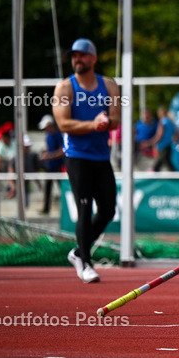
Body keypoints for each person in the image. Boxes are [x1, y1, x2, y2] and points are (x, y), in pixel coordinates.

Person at [52, 38, 121, 284]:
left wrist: (106, 122)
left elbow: (116, 119)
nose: (77, 59)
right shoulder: (65, 88)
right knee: (84, 206)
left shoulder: (109, 85)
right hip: (77, 156)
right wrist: (93, 124)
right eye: (74, 56)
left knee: (108, 209)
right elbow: (63, 124)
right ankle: (86, 263)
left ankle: (79, 252)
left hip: (101, 156)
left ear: (93, 58)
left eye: (82, 55)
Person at [38, 115, 64, 214]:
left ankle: (65, 209)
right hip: (50, 166)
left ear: (50, 125)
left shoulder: (58, 135)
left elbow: (62, 150)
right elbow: (51, 149)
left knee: (62, 188)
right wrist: (46, 153)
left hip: (58, 167)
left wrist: (50, 156)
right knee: (48, 189)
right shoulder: (48, 135)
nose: (44, 129)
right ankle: (46, 209)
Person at [148, 107, 175, 172]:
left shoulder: (162, 122)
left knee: (161, 162)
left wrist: (153, 142)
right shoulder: (170, 122)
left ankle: (152, 173)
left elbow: (159, 135)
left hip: (162, 145)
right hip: (169, 144)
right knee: (167, 162)